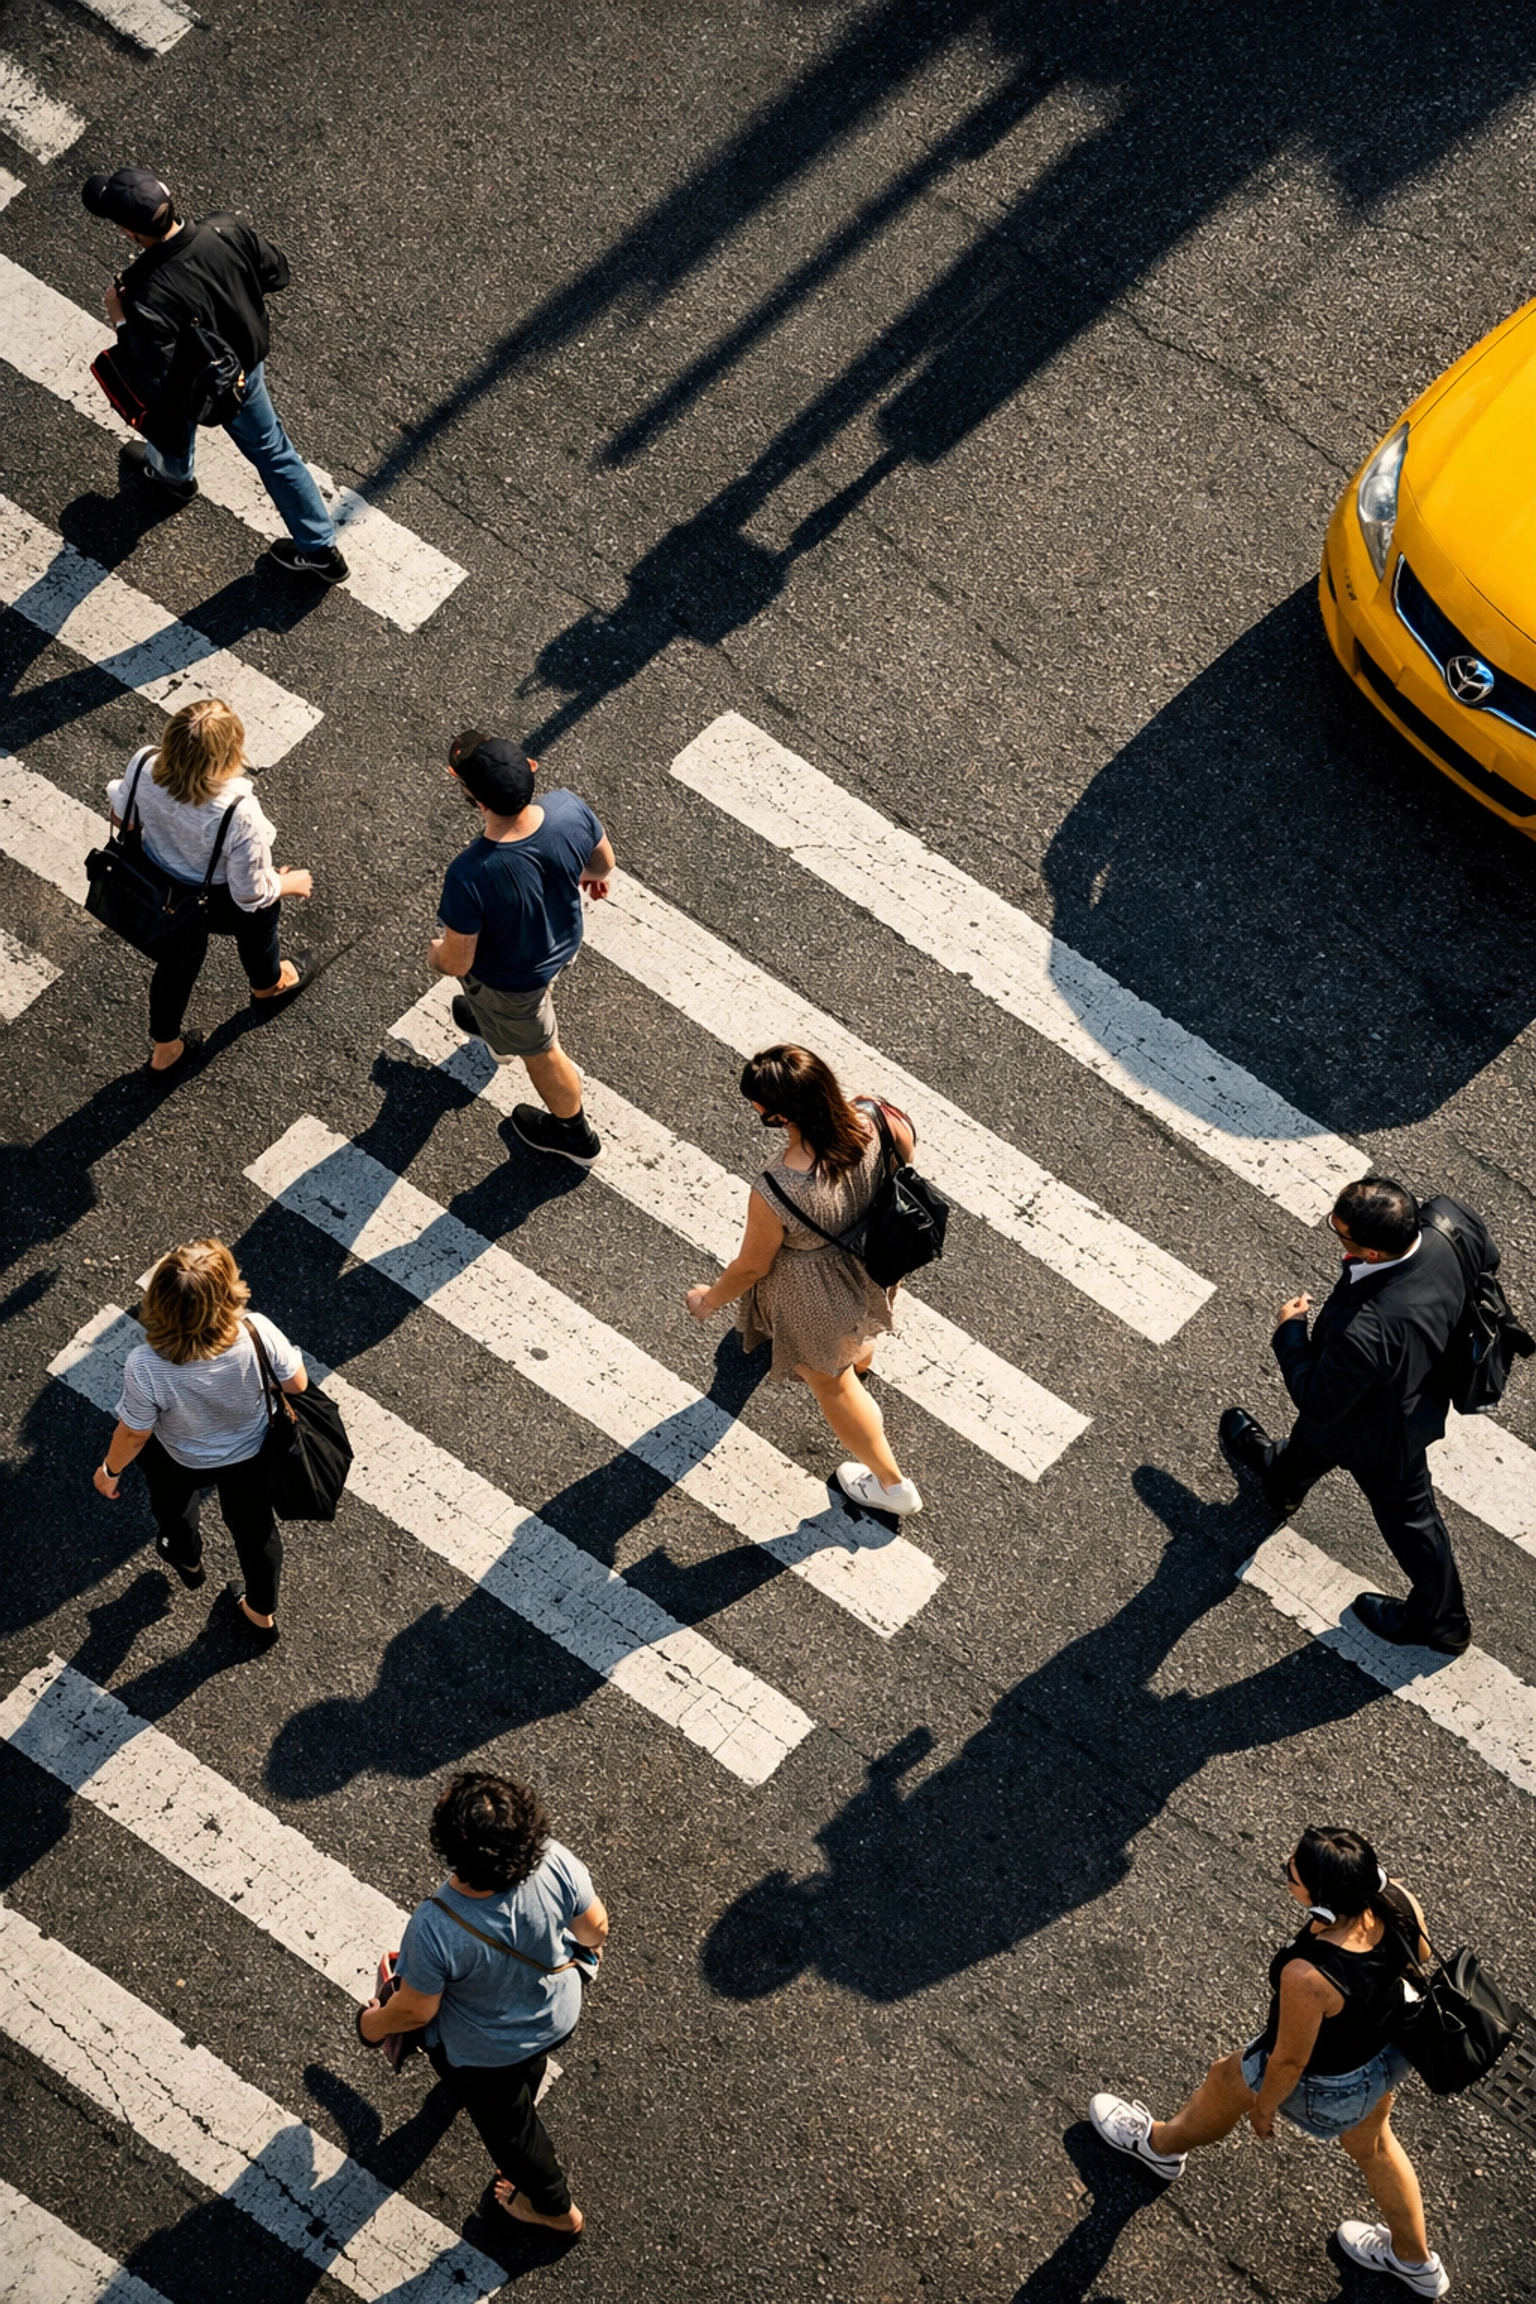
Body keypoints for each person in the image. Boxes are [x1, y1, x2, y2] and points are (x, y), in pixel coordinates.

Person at [1089, 1826, 1447, 2299]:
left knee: (1226, 2078)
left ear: (1321, 1901)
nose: (1285, 1871)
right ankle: (1416, 2263)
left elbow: (1290, 2059)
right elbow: (1417, 1957)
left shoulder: (1310, 1975)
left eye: (1291, 1872)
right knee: (1375, 2146)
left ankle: (1157, 2147)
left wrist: (1263, 2108)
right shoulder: (1398, 1898)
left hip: (1331, 2079)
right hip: (1382, 2056)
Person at [1221, 1175, 1476, 1655]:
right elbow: (1484, 1263)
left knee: (1410, 1518)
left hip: (1384, 1430)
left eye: (1343, 1235)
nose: (1337, 1239)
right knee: (1316, 1438)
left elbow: (1318, 1399)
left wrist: (1290, 1332)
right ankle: (1281, 1480)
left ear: (1374, 1253)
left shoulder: (1366, 1330)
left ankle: (1442, 1621)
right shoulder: (1447, 1221)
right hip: (1411, 1380)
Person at [357, 1771, 608, 2238]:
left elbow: (416, 2012)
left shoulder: (436, 1926)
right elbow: (595, 1930)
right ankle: (523, 2083)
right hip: (556, 2011)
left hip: (485, 2053)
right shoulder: (555, 1860)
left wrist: (370, 2025)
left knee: (513, 2133)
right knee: (524, 2071)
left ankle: (554, 2207)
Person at [684, 1043, 922, 1516]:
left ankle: (892, 1487)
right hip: (872, 1256)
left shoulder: (777, 1187)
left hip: (818, 1298)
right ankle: (859, 1357)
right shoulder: (878, 1115)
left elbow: (752, 1266)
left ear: (777, 1116)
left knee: (831, 1385)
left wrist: (709, 1300)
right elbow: (903, 1164)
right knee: (854, 1336)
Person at [82, 164, 350, 585]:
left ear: (129, 233)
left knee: (174, 411)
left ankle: (175, 476)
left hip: (206, 382)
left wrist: (120, 321)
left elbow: (152, 378)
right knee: (273, 450)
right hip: (246, 363)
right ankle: (317, 545)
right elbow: (276, 272)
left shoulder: (145, 292)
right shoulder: (226, 227)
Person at [93, 1239, 304, 1643]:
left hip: (180, 1455)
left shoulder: (147, 1365)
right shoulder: (257, 1332)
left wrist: (109, 1471)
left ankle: (186, 1557)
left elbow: (135, 1432)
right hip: (251, 1453)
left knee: (173, 1508)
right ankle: (260, 1613)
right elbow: (297, 1383)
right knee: (255, 1531)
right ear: (229, 1292)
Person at [429, 730, 615, 1167]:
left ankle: (575, 1135)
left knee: (543, 1051)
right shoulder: (568, 807)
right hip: (561, 941)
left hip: (512, 979)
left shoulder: (470, 874)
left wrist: (434, 953)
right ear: (531, 769)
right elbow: (603, 864)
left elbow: (458, 960)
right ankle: (493, 1029)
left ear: (477, 801)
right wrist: (582, 874)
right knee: (501, 1008)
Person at [105, 698, 315, 1075]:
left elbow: (122, 816)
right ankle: (267, 984)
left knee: (177, 964)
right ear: (229, 755)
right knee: (262, 916)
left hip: (155, 884)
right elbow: (249, 894)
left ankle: (165, 1049)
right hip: (212, 900)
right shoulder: (238, 812)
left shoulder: (144, 763)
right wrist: (287, 882)